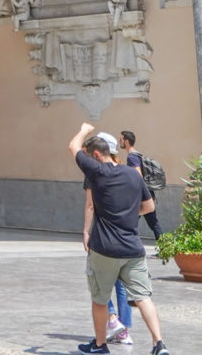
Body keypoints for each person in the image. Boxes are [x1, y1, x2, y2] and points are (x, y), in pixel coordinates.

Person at [71, 122, 168, 355]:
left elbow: (72, 146)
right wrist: (127, 212)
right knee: (143, 297)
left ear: (96, 155)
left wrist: (84, 129)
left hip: (104, 248)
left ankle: (100, 345)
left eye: (89, 157)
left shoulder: (97, 172)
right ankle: (159, 344)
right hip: (133, 248)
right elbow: (149, 206)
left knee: (100, 299)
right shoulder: (133, 175)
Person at [120, 130, 164, 244]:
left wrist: (136, 194)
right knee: (152, 222)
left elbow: (138, 175)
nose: (119, 142)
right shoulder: (138, 155)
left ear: (127, 141)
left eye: (121, 140)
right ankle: (164, 247)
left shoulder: (132, 157)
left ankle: (125, 244)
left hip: (141, 196)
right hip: (147, 193)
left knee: (130, 221)